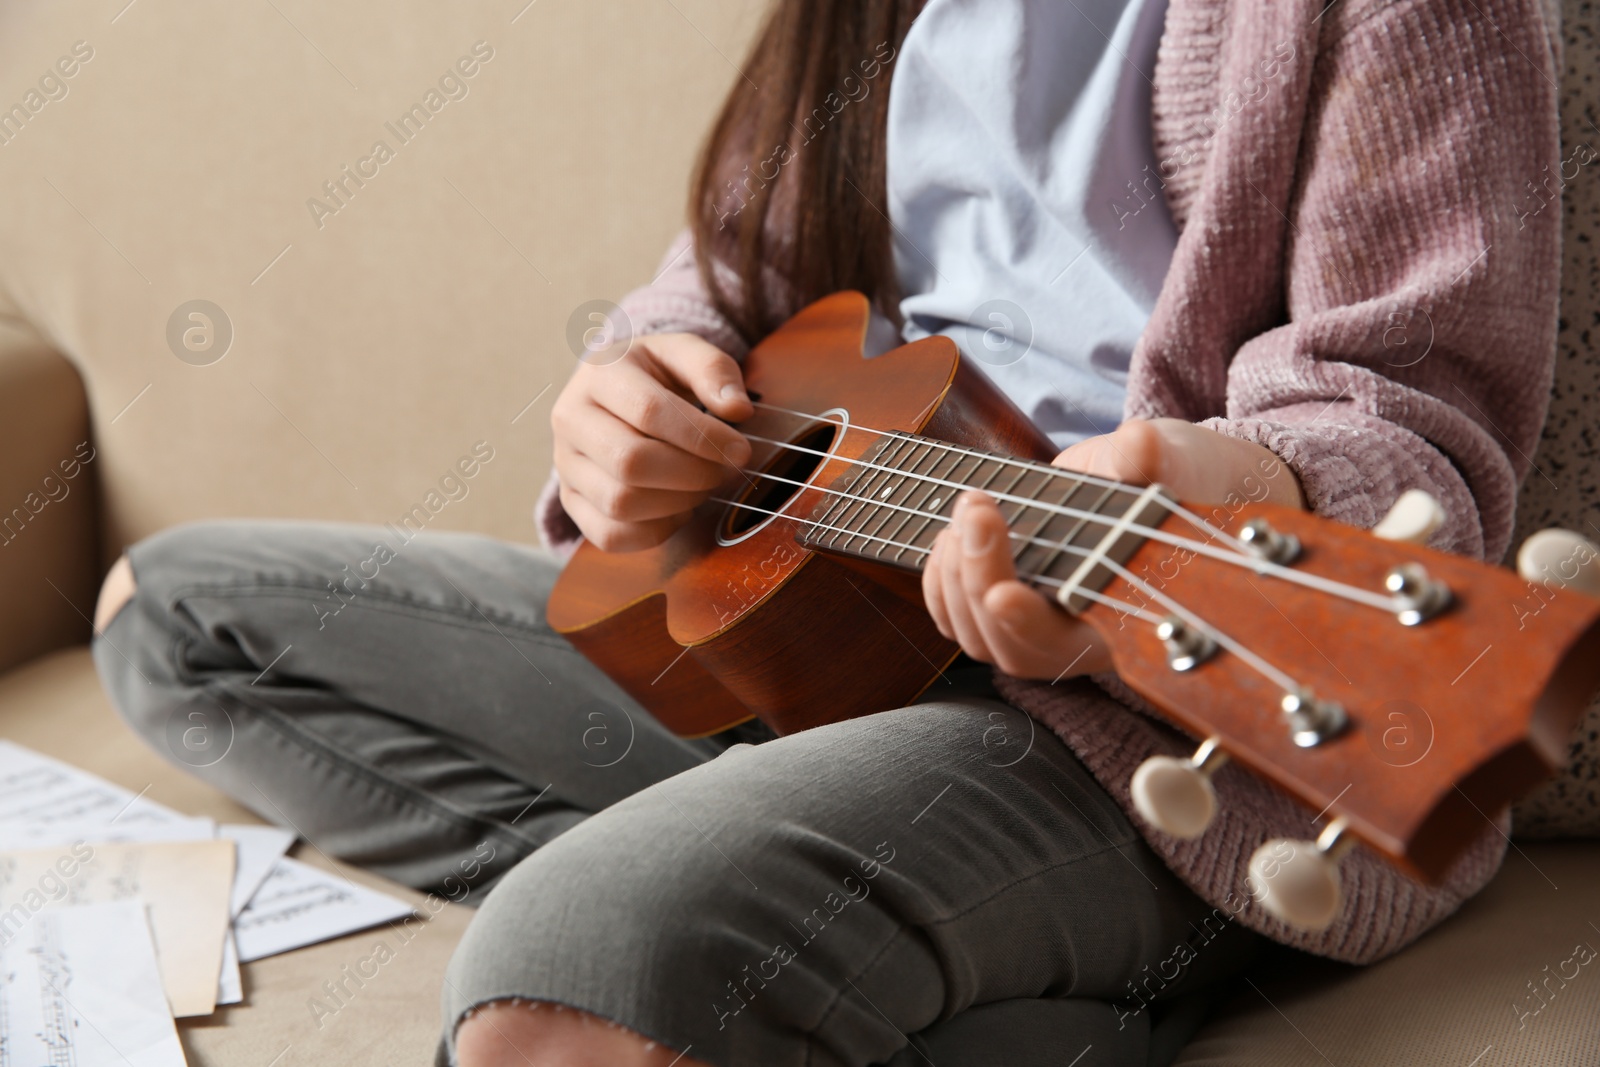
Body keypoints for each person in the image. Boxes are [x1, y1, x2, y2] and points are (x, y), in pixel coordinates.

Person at [91, 0, 1560, 1063]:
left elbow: (1408, 419)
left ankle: (802, 935)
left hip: (1135, 713)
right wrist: (633, 394)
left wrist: (1185, 482)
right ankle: (868, 966)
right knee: (170, 612)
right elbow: (732, 270)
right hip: (814, 632)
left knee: (563, 988)